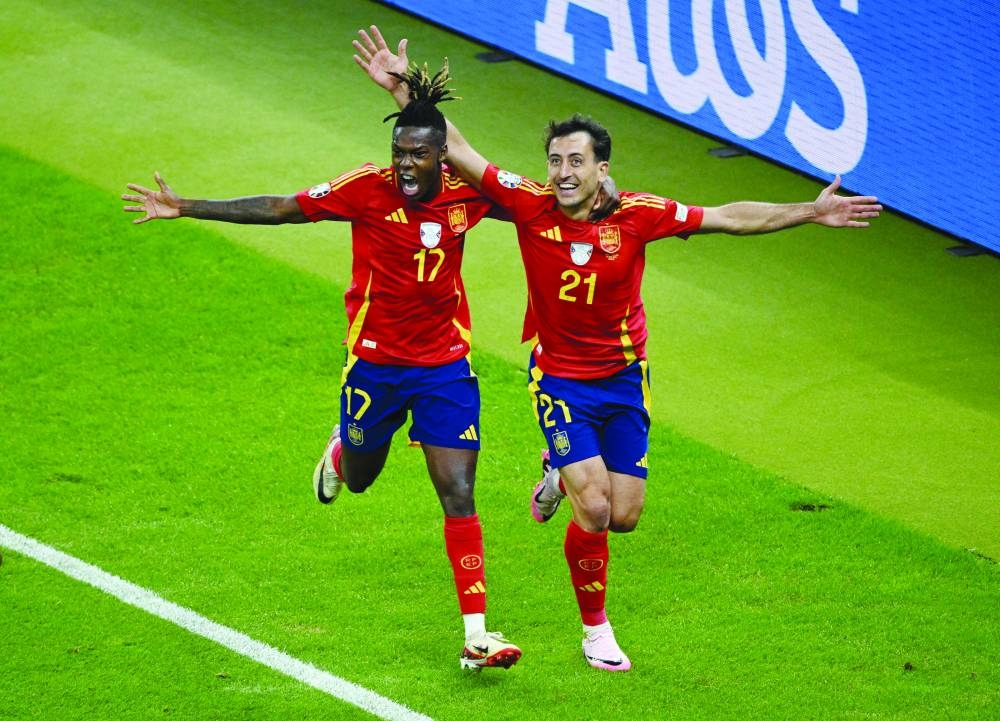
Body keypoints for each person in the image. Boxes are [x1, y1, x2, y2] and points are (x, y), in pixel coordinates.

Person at [354, 25, 882, 672]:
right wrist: (407, 90)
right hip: (559, 381)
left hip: (624, 380)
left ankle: (556, 471)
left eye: (575, 162)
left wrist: (808, 210)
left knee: (625, 514)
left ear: (602, 167)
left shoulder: (639, 214)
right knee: (596, 506)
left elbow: (727, 216)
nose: (562, 172)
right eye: (555, 160)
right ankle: (595, 630)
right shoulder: (527, 204)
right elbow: (458, 149)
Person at [120, 70, 528, 670]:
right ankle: (341, 452)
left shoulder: (470, 194)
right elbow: (282, 207)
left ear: (444, 156)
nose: (405, 165)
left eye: (418, 154)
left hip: (445, 367)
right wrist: (189, 207)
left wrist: (599, 195)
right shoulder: (366, 188)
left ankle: (476, 636)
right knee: (361, 477)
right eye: (399, 153)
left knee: (459, 491)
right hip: (375, 367)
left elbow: (539, 204)